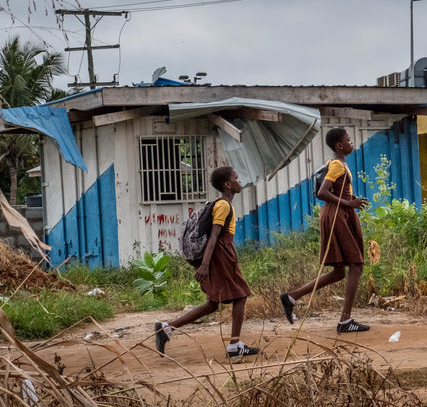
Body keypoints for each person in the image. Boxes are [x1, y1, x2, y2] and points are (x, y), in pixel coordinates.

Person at [154, 166, 259, 359]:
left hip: (219, 254)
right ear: (227, 184)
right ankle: (235, 345)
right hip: (220, 255)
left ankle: (166, 329)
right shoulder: (223, 206)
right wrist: (205, 265)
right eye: (236, 178)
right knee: (241, 295)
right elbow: (214, 236)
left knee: (212, 303)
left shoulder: (222, 204)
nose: (239, 181)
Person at [280, 127, 371, 334]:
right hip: (337, 215)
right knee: (356, 265)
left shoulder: (338, 164)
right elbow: (322, 192)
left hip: (340, 213)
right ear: (339, 145)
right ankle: (345, 321)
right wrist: (350, 204)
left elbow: (336, 190)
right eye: (349, 140)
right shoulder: (337, 165)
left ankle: (291, 297)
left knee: (340, 271)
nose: (352, 142)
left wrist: (351, 201)